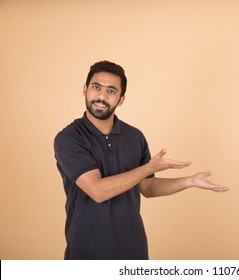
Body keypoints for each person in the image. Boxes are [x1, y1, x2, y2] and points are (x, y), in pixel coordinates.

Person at [54, 60, 229, 260]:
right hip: (87, 253)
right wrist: (147, 168)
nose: (101, 96)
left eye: (111, 91)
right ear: (85, 89)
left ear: (121, 99)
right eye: (96, 87)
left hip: (133, 252)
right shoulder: (69, 138)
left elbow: (148, 188)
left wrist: (189, 181)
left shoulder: (134, 136)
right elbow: (98, 191)